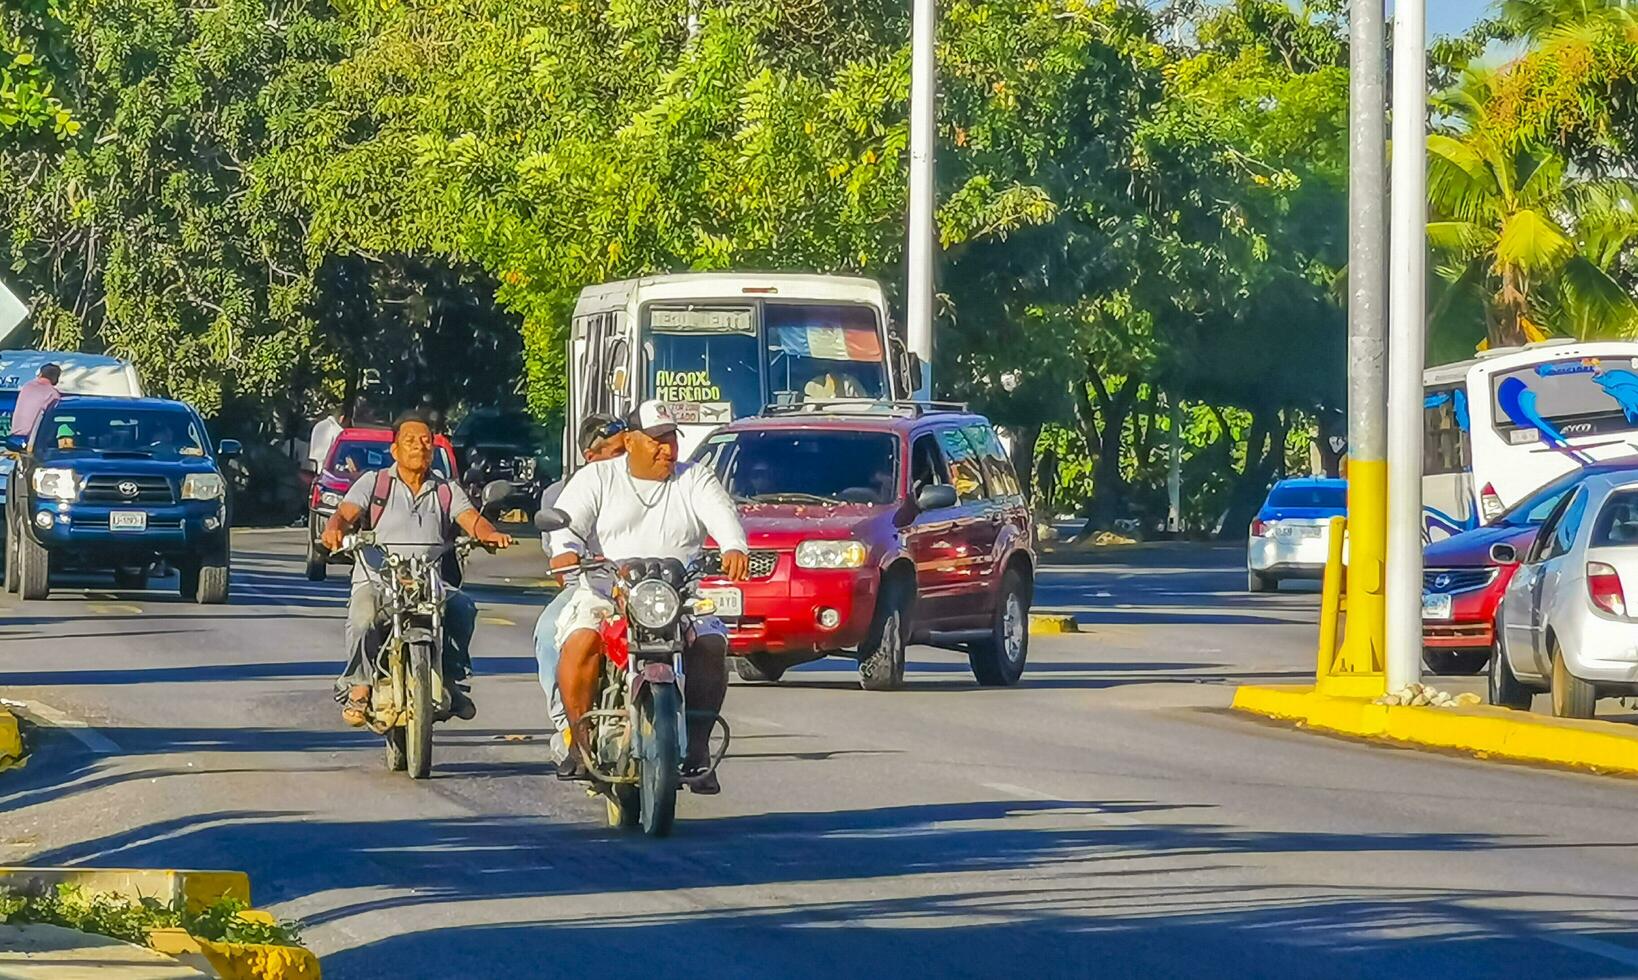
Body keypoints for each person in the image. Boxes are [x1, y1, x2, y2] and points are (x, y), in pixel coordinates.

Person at [549, 400, 750, 794]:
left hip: (679, 593)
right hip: (608, 590)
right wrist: (565, 549)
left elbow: (723, 515)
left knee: (711, 644)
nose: (667, 449)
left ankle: (697, 748)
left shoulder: (695, 478)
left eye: (671, 438)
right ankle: (581, 744)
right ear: (630, 441)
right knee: (580, 640)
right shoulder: (598, 477)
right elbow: (567, 522)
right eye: (657, 439)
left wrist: (733, 546)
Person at [321, 412, 513, 727]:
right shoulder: (375, 482)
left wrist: (489, 534)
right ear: (395, 450)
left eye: (426, 441)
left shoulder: (446, 489)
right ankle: (359, 684)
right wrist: (335, 530)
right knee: (363, 616)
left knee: (463, 608)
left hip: (431, 581)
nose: (419, 447)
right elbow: (344, 513)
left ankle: (450, 678)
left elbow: (471, 520)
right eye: (410, 441)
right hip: (378, 582)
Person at [532, 413, 627, 762]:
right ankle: (570, 726)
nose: (624, 458)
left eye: (627, 449)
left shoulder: (646, 483)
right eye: (615, 452)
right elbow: (561, 559)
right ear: (591, 456)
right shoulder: (561, 493)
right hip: (587, 584)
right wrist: (572, 561)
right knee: (548, 635)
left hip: (645, 588)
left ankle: (687, 733)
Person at [10, 364, 62, 440]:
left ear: (40, 374)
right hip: (33, 440)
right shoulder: (53, 394)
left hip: (15, 437)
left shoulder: (27, 386)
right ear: (56, 378)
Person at [308, 401, 347, 472]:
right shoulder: (338, 430)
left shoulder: (318, 425)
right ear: (341, 418)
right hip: (326, 469)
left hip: (312, 466)